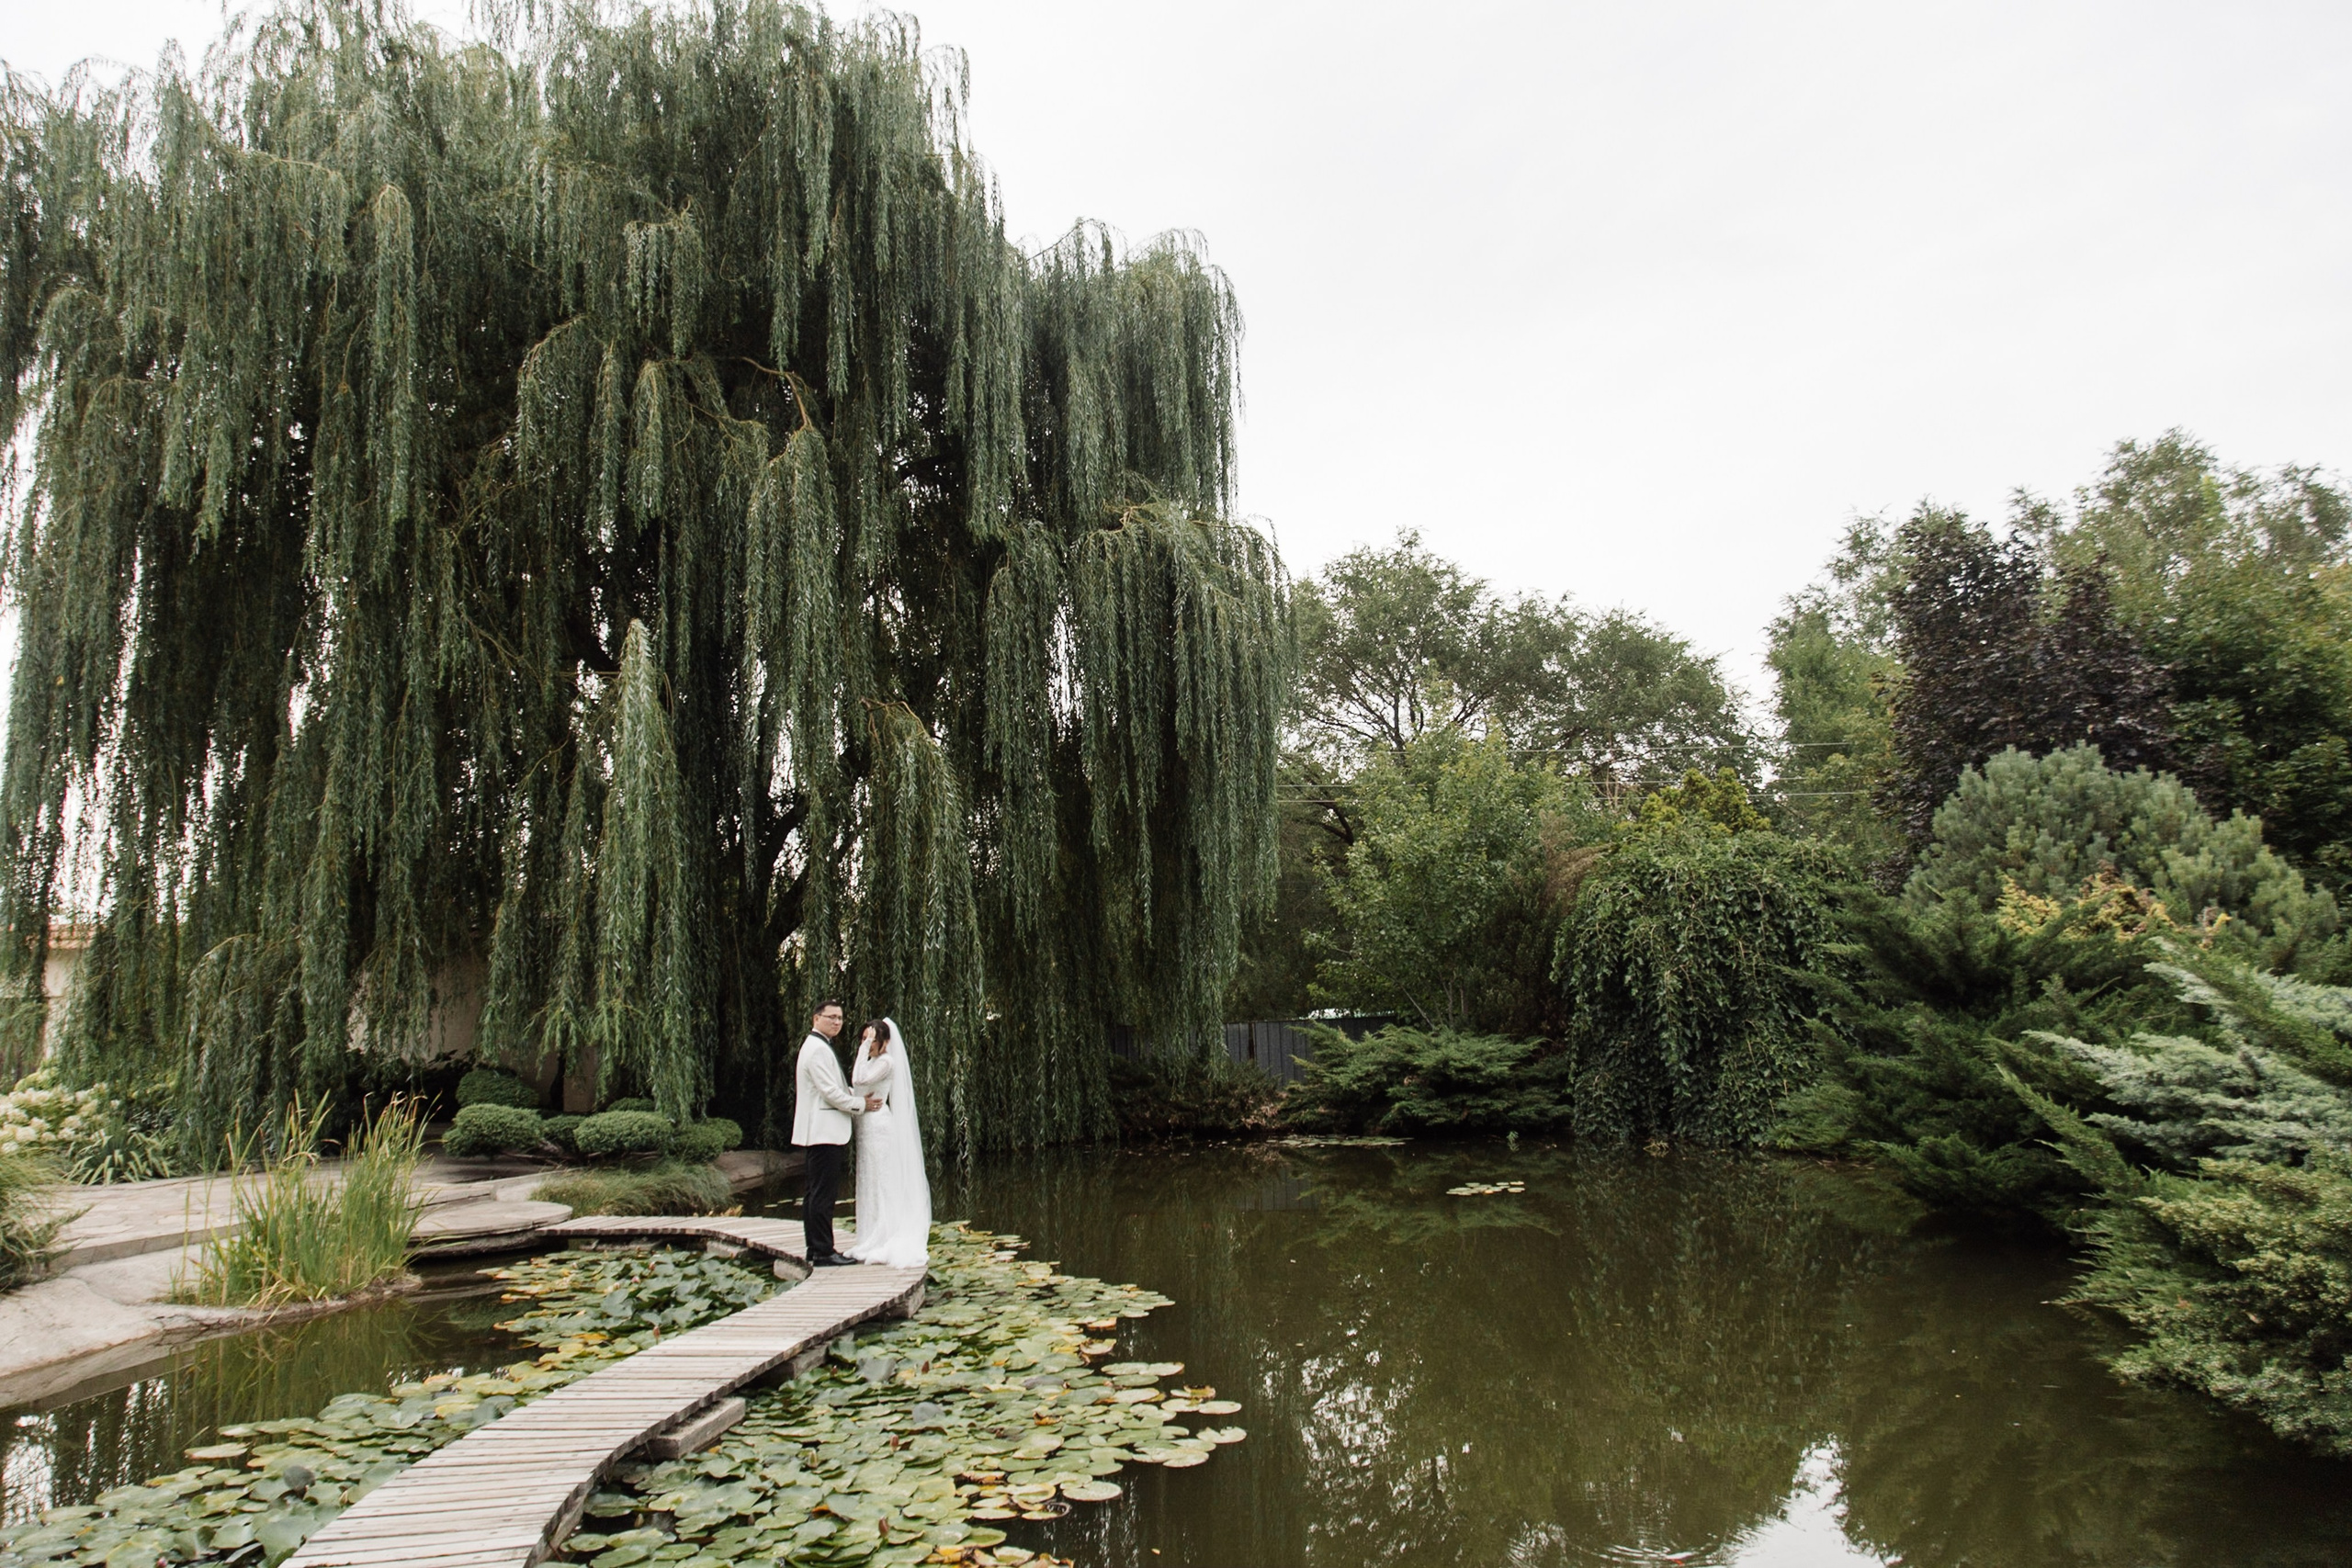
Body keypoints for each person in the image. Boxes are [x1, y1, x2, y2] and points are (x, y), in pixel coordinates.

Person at [791, 998, 880, 1267]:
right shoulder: (817, 1049)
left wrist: (856, 1094)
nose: (837, 1022)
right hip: (824, 1131)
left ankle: (815, 1248)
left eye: (840, 1018)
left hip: (820, 1130)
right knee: (822, 1194)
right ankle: (822, 1252)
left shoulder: (819, 1047)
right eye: (831, 1017)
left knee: (814, 1192)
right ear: (816, 1018)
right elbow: (830, 1093)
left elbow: (834, 1088)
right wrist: (860, 1104)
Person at [842, 1017, 932, 1268]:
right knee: (869, 1179)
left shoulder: (887, 1062)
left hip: (878, 1127)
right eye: (863, 1039)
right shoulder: (871, 1062)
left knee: (881, 1180)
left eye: (872, 1040)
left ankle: (884, 1235)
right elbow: (857, 1087)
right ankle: (869, 1234)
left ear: (885, 1042)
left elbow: (859, 1079)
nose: (867, 1045)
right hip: (866, 1126)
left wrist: (862, 1051)